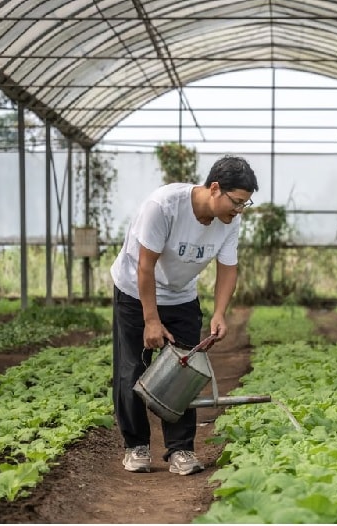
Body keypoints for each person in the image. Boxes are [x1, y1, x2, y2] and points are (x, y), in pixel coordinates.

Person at [110, 155, 258, 474]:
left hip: (181, 296)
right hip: (135, 291)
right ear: (215, 188)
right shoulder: (164, 206)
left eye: (245, 204)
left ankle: (181, 449)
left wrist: (219, 313)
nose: (239, 210)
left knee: (185, 369)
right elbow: (145, 266)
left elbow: (228, 268)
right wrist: (151, 320)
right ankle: (136, 445)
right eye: (236, 202)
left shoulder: (230, 221)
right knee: (132, 368)